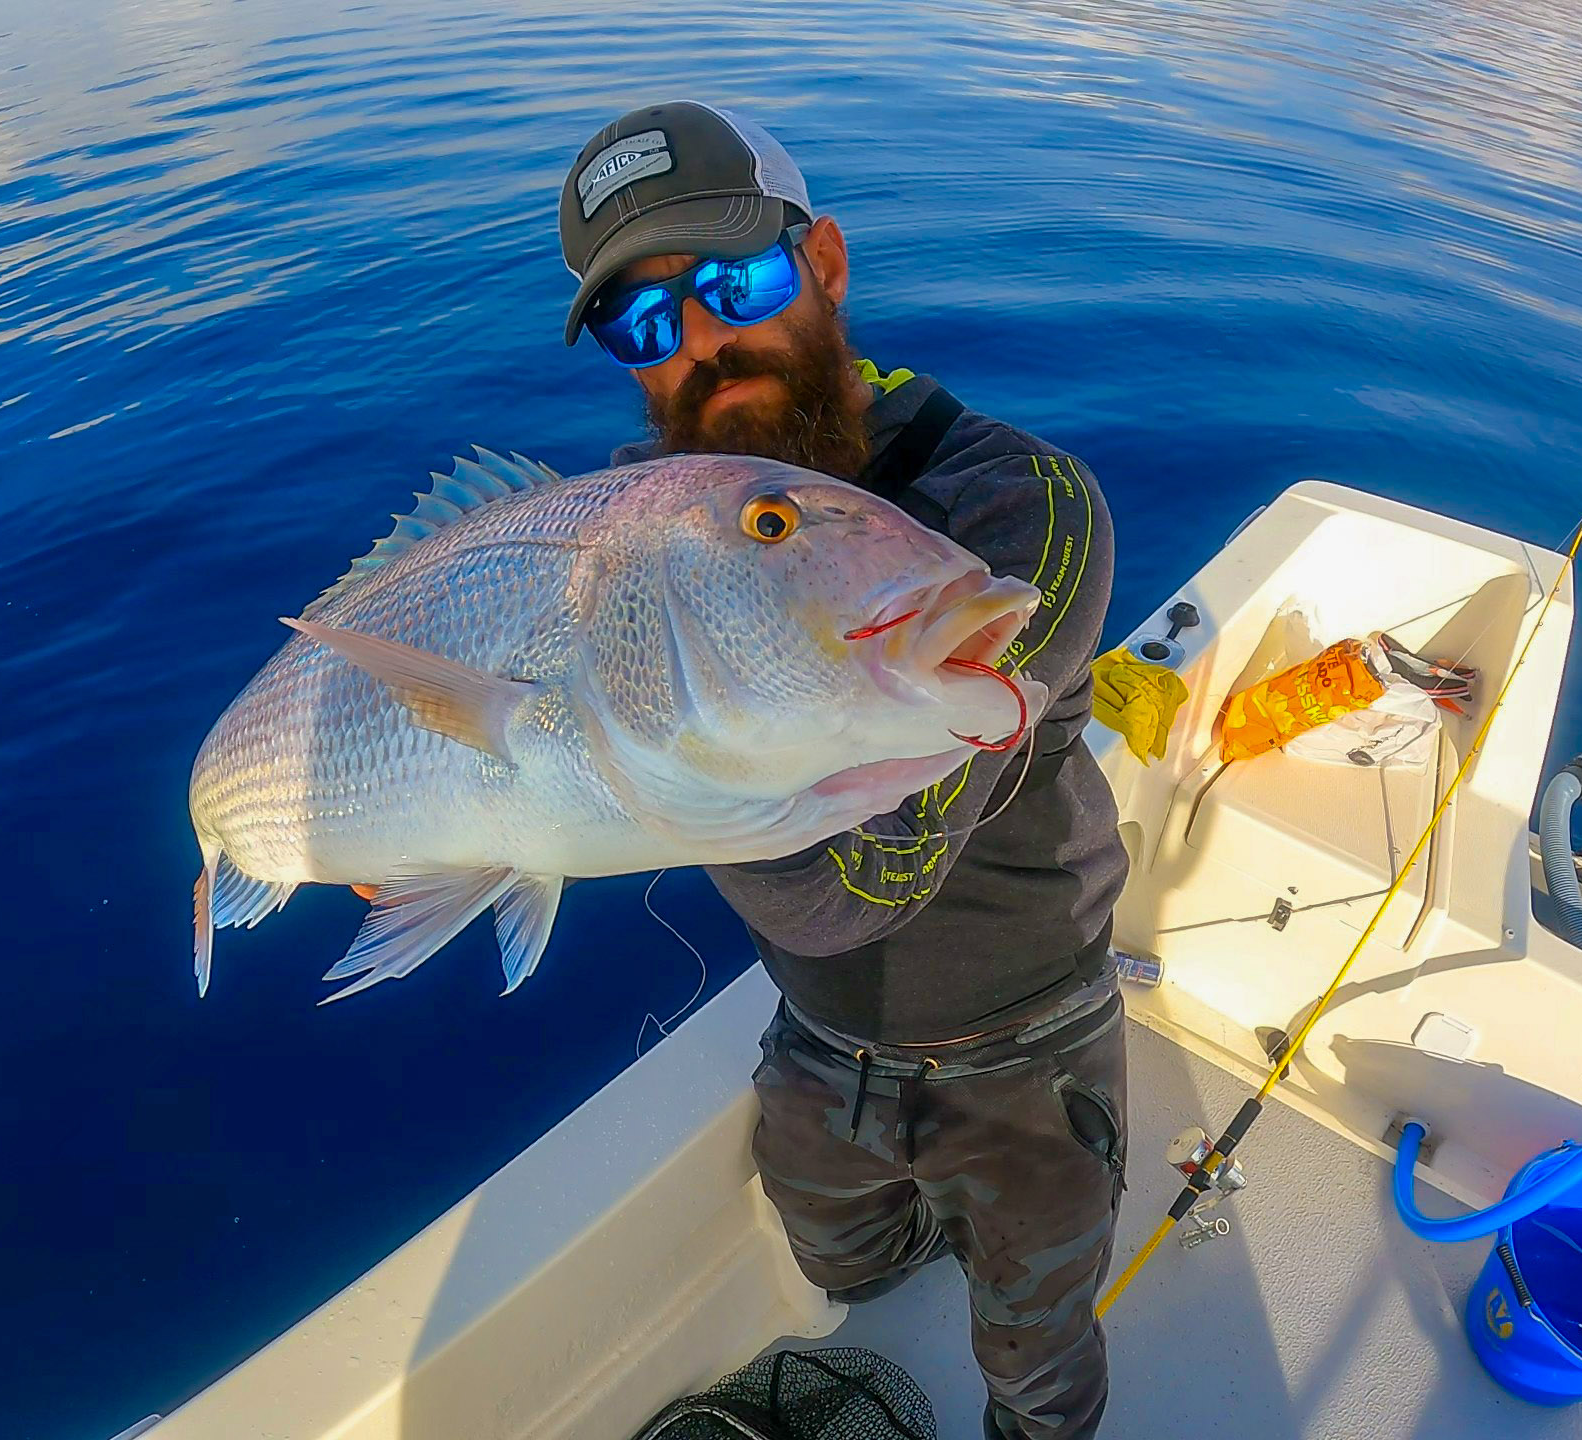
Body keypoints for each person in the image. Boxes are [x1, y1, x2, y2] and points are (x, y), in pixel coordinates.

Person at [557, 102, 1131, 1440]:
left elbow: (848, 888)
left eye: (733, 280)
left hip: (1027, 1036)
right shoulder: (634, 537)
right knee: (841, 1267)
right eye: (648, 324)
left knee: (1036, 1351)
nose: (703, 342)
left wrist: (637, 715)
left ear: (822, 261)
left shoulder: (1017, 509)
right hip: (817, 1033)